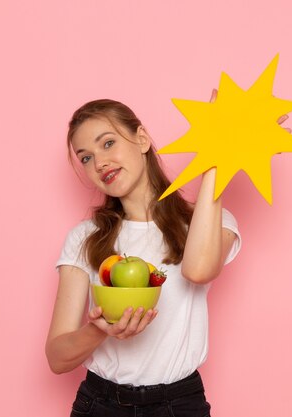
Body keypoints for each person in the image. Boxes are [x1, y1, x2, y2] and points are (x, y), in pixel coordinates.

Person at [45, 96, 242, 417]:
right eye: (85, 158)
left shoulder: (207, 221)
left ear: (142, 139)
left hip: (179, 405)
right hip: (101, 404)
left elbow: (198, 271)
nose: (99, 163)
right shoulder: (85, 237)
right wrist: (101, 329)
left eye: (108, 143)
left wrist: (215, 160)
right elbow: (57, 357)